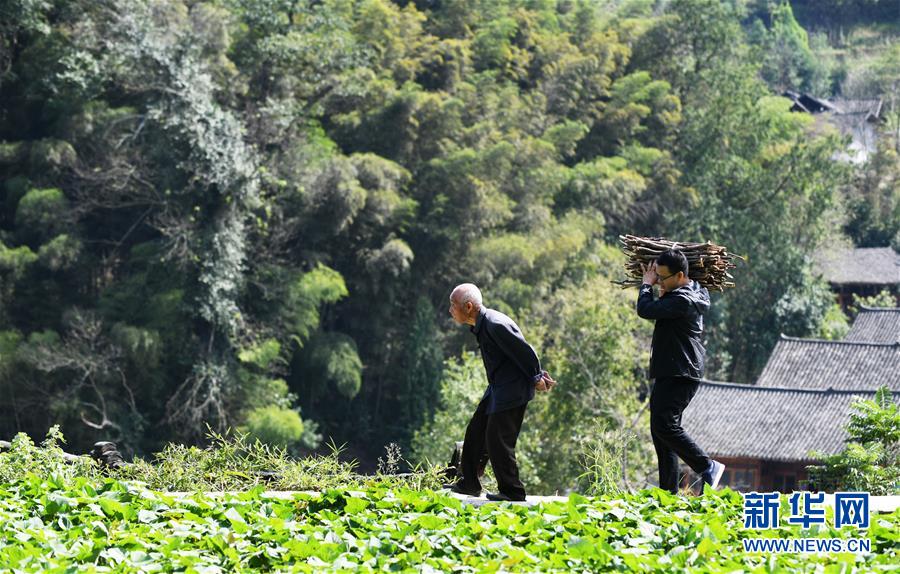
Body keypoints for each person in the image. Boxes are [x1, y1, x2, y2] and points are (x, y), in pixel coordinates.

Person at [445, 283, 555, 501]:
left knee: (497, 438)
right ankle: (469, 483)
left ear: (468, 306)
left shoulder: (495, 324)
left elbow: (526, 351)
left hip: (512, 389)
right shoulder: (481, 325)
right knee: (475, 431)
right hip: (497, 387)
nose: (450, 310)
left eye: (453, 305)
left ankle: (512, 491)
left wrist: (536, 377)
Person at [637, 249, 725, 494]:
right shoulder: (689, 292)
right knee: (659, 430)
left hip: (680, 371)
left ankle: (707, 465)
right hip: (676, 369)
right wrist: (663, 293)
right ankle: (668, 493)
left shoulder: (683, 299)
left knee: (665, 426)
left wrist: (646, 285)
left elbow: (645, 309)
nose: (659, 281)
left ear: (679, 275)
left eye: (663, 278)